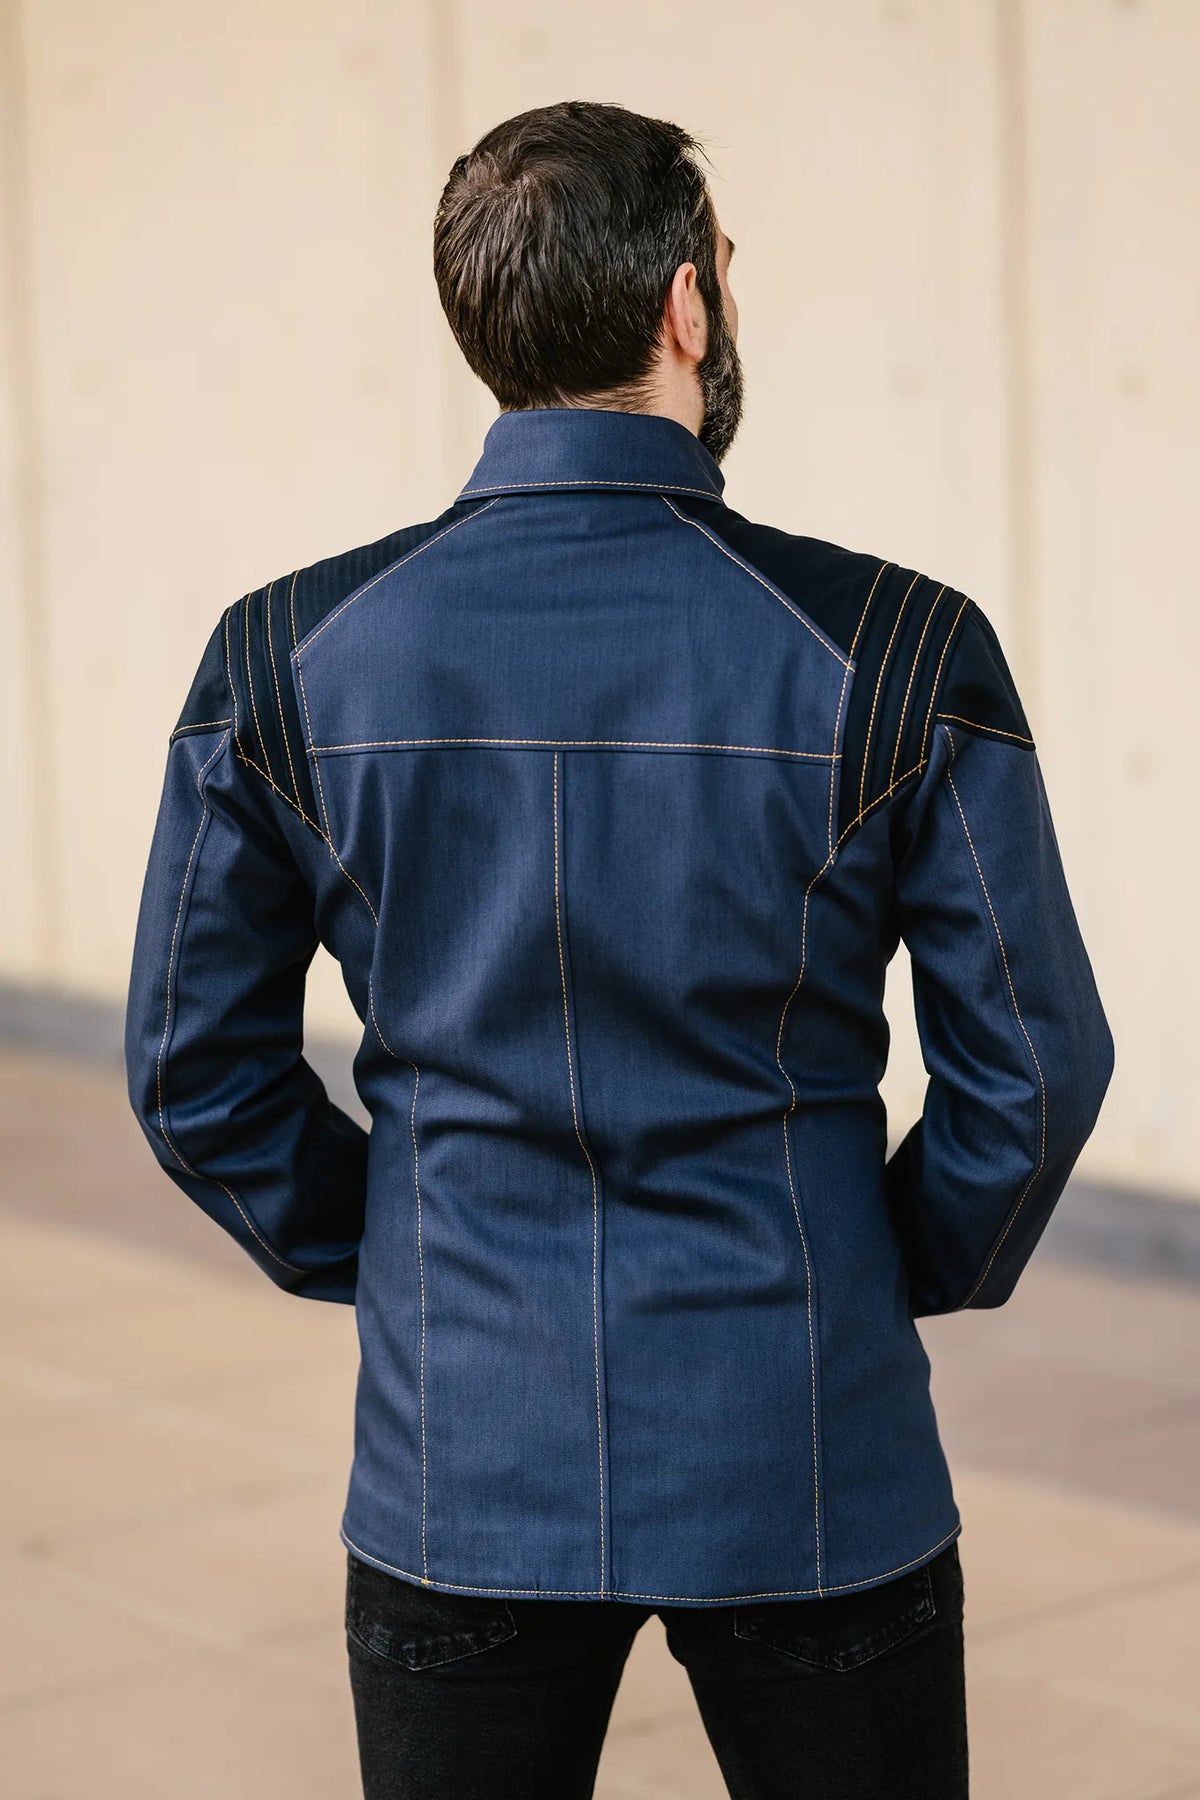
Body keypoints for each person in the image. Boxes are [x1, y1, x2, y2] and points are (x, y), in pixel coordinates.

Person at [124, 98, 1115, 1800]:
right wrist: (876, 1262)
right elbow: (1034, 1072)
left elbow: (186, 1070)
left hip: (461, 1451)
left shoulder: (281, 656)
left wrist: (406, 1251)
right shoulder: (899, 645)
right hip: (808, 1436)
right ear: (686, 307)